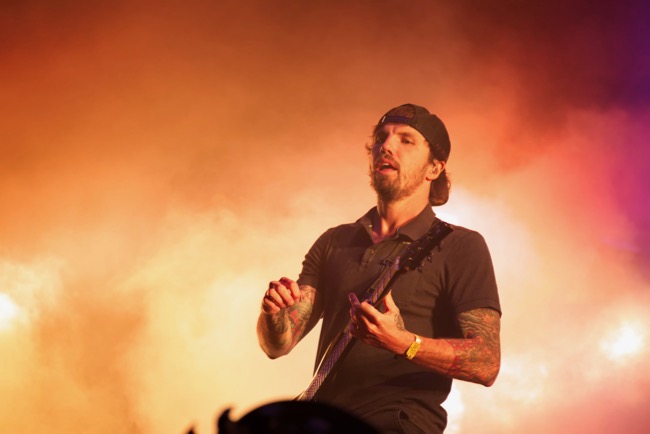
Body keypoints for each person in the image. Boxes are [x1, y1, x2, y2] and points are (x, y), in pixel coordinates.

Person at [257, 103, 501, 434]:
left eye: (406, 140)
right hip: (324, 422)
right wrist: (273, 313)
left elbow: (486, 362)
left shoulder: (461, 246)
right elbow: (278, 345)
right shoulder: (335, 241)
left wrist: (404, 342)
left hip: (396, 424)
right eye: (381, 138)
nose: (386, 146)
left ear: (434, 168)